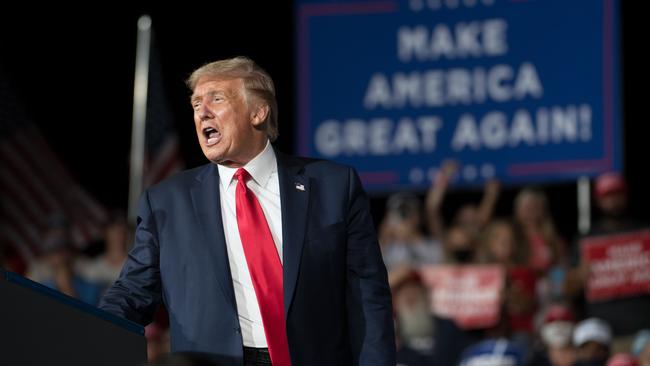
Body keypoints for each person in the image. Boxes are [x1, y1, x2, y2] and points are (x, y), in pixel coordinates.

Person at [100, 56, 395, 365]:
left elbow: (368, 298)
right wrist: (86, 331)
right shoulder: (166, 202)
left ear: (258, 112)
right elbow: (132, 293)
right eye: (196, 103)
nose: (202, 112)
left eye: (216, 98)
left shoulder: (334, 186)